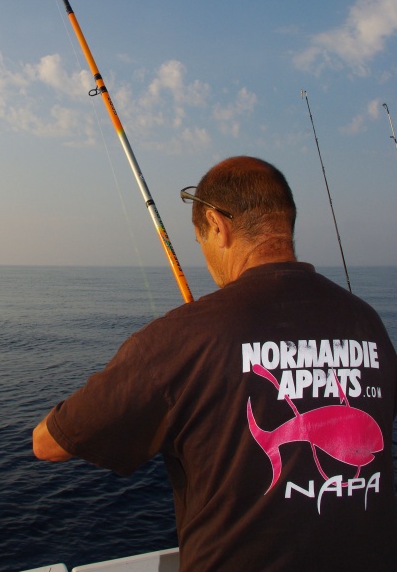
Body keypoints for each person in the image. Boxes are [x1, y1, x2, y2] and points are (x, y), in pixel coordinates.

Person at [33, 156, 397, 571]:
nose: (205, 256)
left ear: (217, 226)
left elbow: (49, 443)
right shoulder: (367, 322)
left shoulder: (180, 338)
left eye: (201, 238)